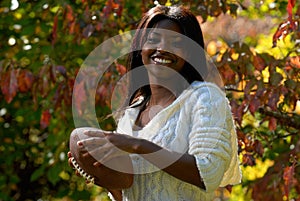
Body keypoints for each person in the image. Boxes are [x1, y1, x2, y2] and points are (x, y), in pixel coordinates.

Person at [68, 4, 241, 201]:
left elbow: (208, 173)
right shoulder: (132, 113)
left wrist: (137, 145)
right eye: (154, 40)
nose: (162, 49)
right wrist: (102, 176)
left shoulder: (205, 98)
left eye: (176, 43)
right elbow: (130, 193)